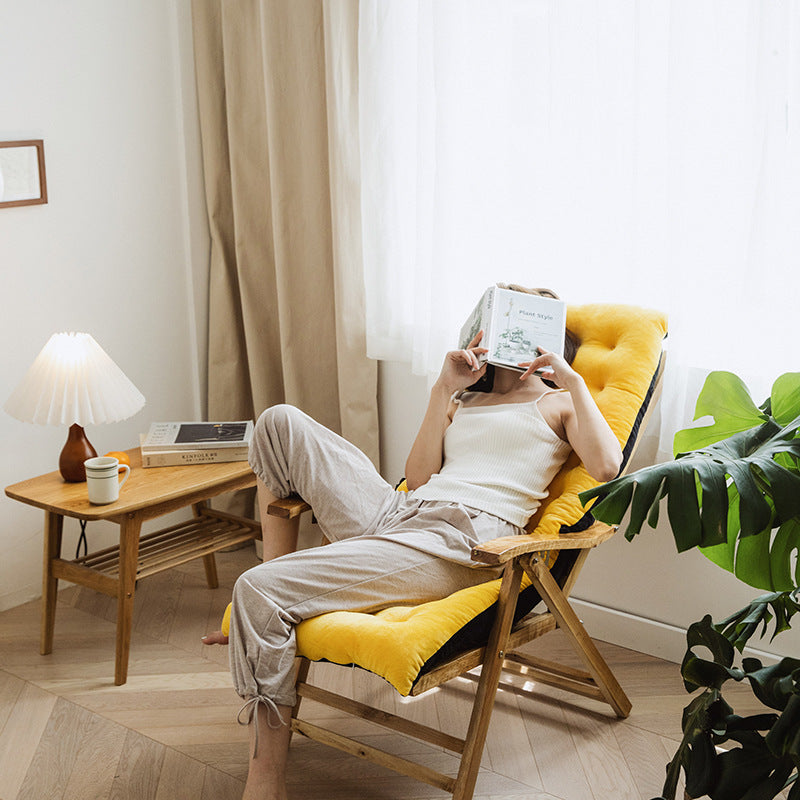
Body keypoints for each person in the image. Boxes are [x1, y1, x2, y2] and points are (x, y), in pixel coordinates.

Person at [204, 286, 622, 800]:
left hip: (460, 540)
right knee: (277, 423)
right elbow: (418, 477)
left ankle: (264, 781)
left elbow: (606, 466)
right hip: (401, 512)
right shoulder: (468, 398)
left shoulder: (558, 402)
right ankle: (276, 590)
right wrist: (444, 390)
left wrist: (573, 381)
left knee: (258, 589)